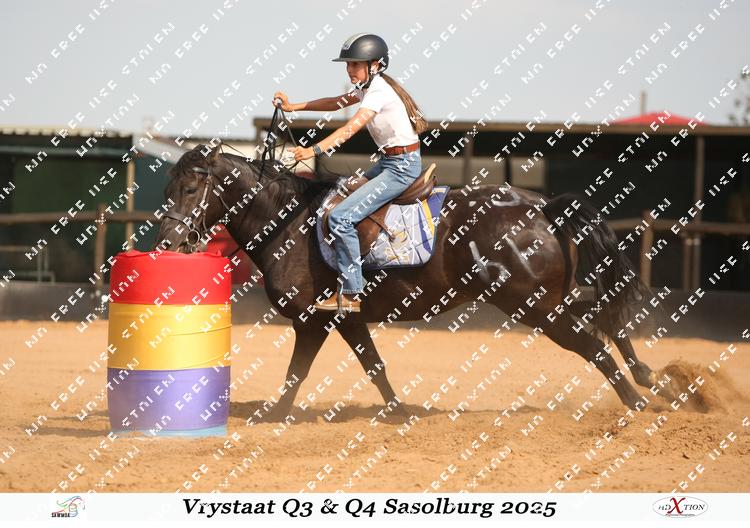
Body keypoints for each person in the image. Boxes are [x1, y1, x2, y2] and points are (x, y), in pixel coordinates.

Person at [274, 33, 429, 313]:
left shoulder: (378, 91)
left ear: (375, 65)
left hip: (401, 168)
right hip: (391, 162)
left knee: (341, 218)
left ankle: (351, 292)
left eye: (355, 64)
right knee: (340, 194)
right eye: (348, 64)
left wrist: (314, 150)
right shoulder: (368, 88)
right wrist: (293, 107)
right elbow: (335, 102)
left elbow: (349, 128)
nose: (349, 69)